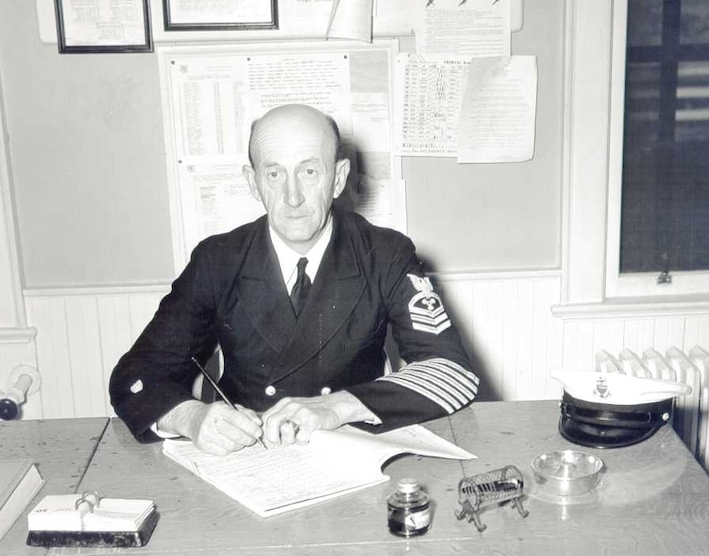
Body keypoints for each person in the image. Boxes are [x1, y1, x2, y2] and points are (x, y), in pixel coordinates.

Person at [110, 104, 478, 455]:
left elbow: (452, 372)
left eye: (309, 172)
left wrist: (335, 407)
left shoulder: (384, 254)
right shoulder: (218, 260)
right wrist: (191, 417)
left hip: (352, 446)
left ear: (339, 178)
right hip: (247, 456)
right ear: (253, 183)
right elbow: (136, 373)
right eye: (274, 174)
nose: (292, 197)